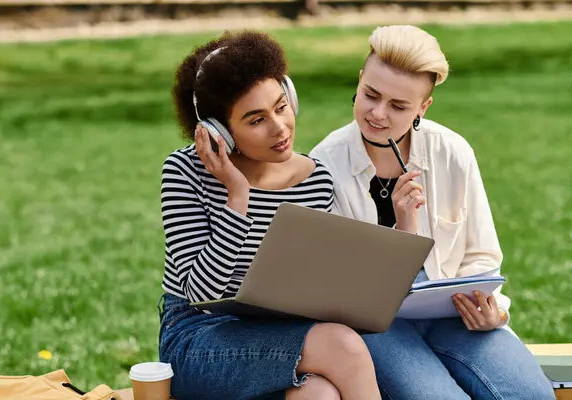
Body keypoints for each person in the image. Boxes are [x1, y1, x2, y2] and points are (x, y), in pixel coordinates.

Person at [310, 25, 555, 399]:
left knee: (530, 394)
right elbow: (338, 290)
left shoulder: (452, 152)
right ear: (359, 81)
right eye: (370, 95)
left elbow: (482, 255)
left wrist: (493, 313)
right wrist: (405, 230)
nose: (378, 114)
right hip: (376, 326)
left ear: (423, 107)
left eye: (398, 106)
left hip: (453, 315)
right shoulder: (324, 166)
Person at [157, 30, 382, 400]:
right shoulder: (184, 172)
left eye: (281, 106)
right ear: (220, 133)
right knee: (341, 345)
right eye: (256, 119)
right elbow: (202, 291)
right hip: (198, 340)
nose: (280, 127)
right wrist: (237, 194)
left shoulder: (315, 179)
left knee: (319, 394)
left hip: (276, 332)